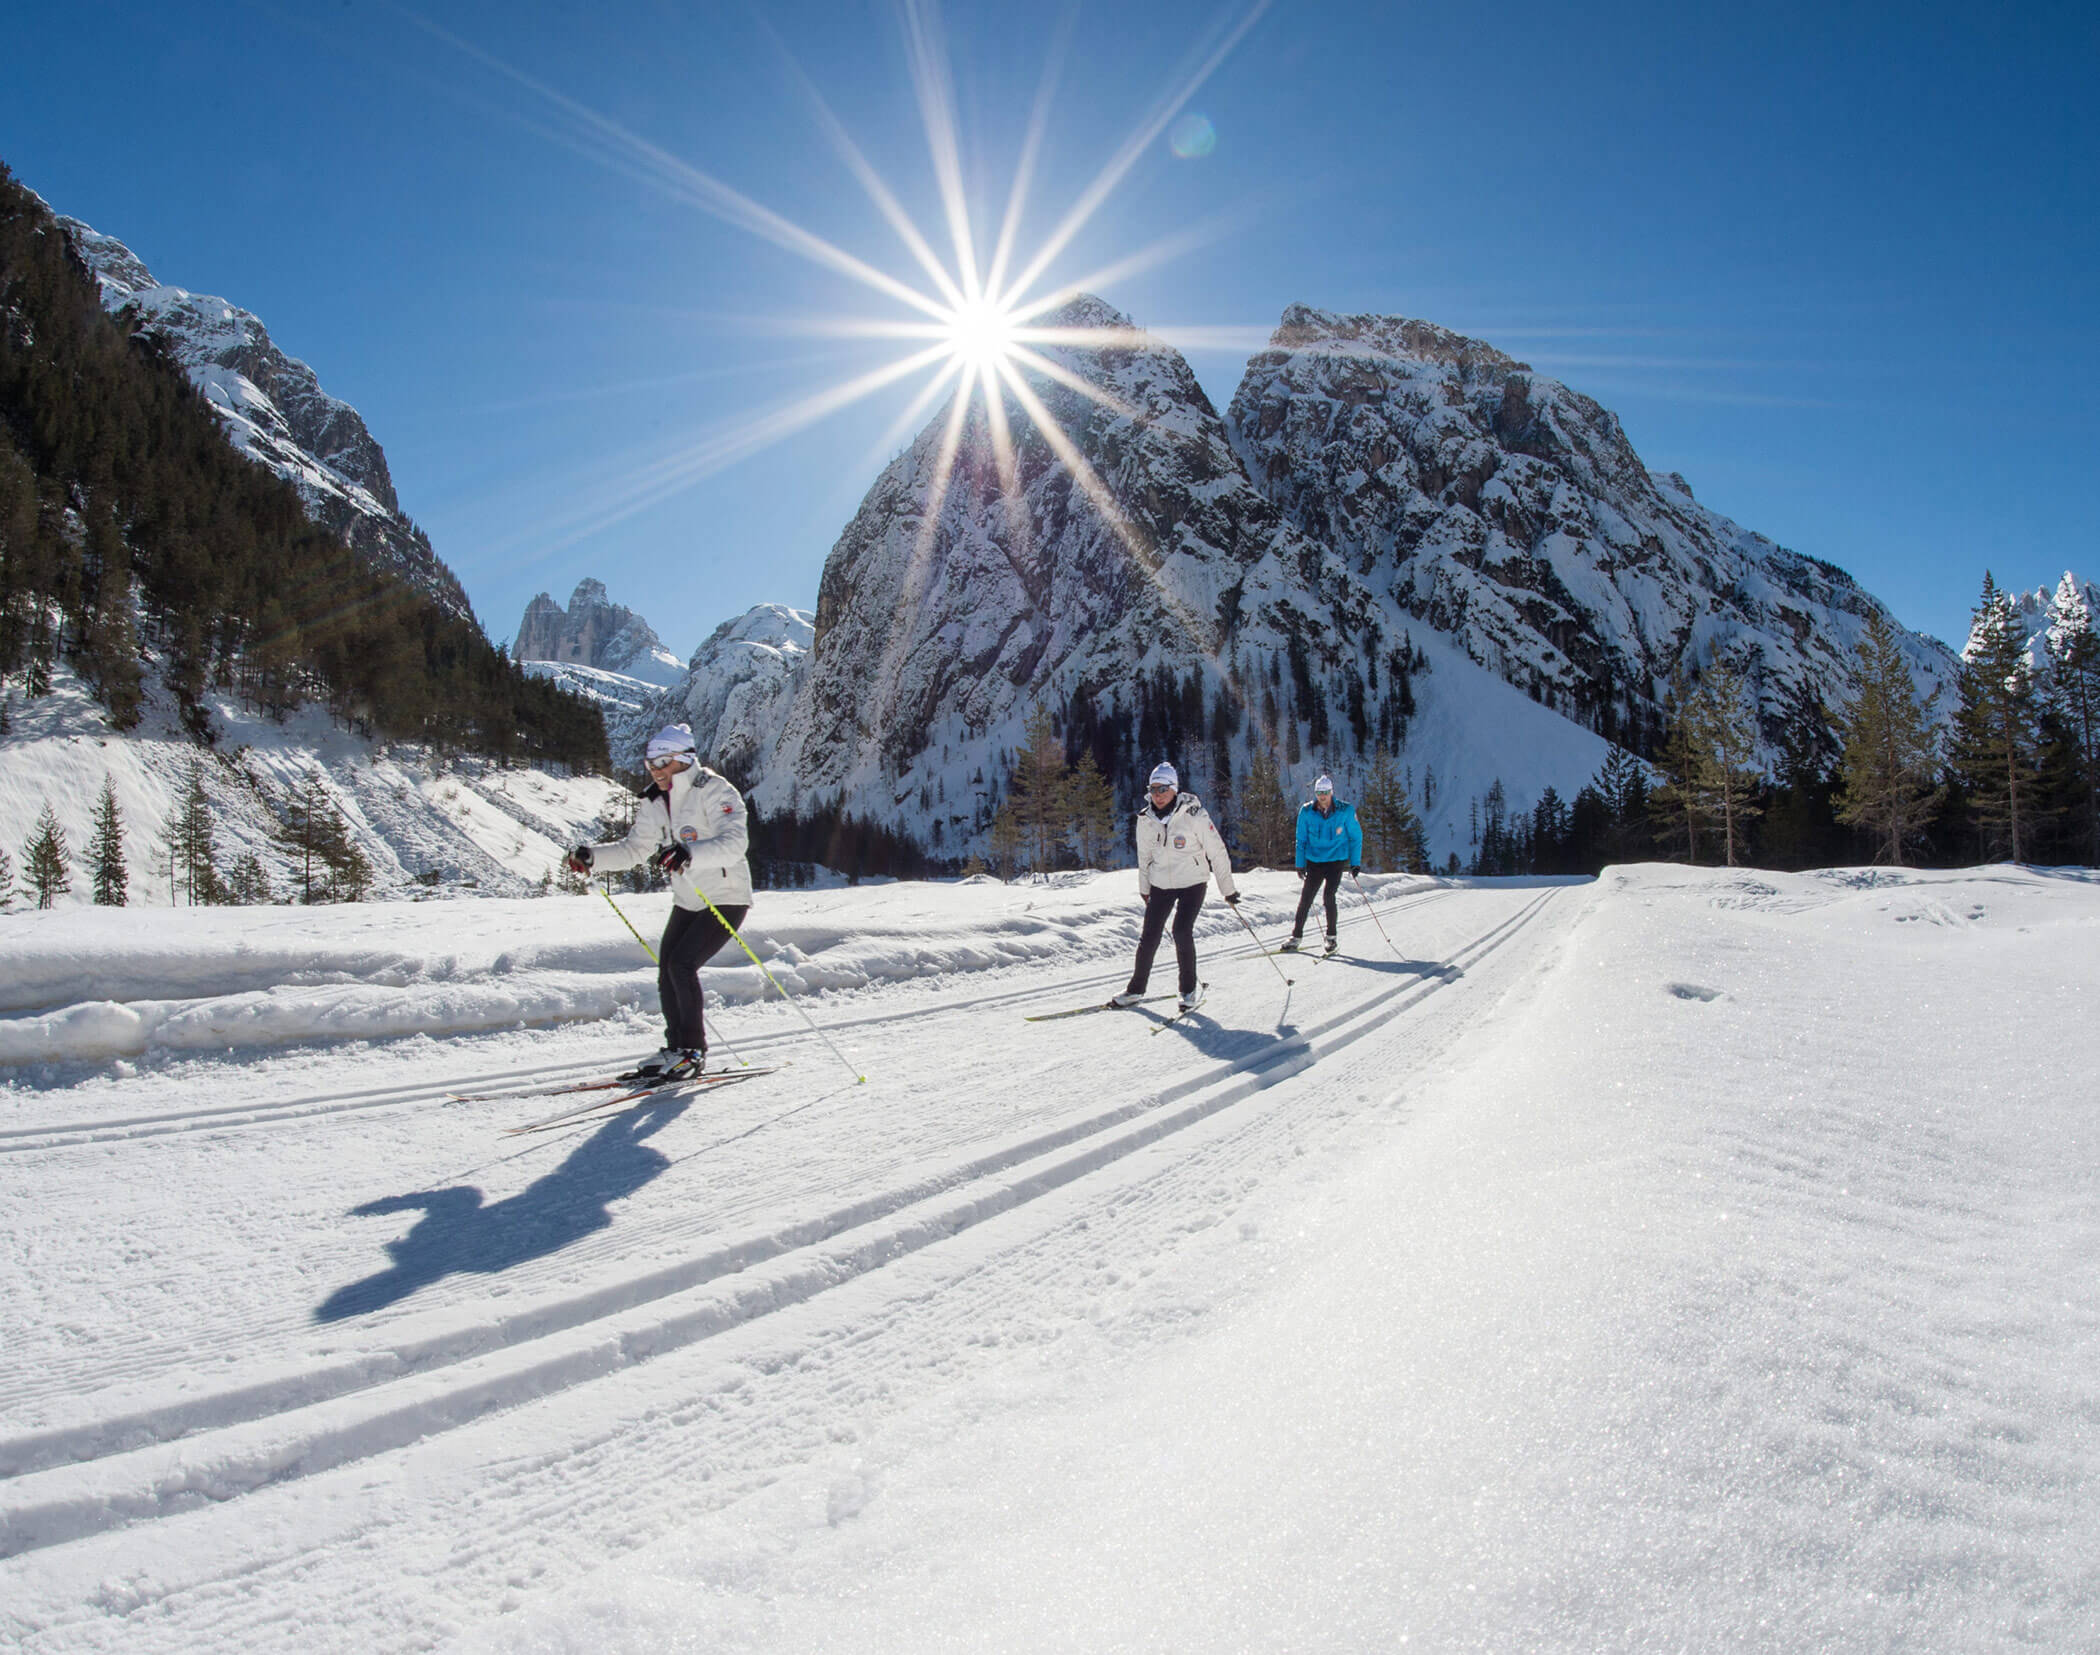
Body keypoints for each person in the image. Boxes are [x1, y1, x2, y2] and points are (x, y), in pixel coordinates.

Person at [567, 724, 752, 1080]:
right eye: (650, 763)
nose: (655, 770)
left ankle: (692, 1052)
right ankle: (675, 1048)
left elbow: (734, 844)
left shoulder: (714, 790)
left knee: (682, 965)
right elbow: (635, 849)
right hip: (688, 899)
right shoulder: (654, 800)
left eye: (662, 762)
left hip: (727, 897)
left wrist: (689, 853)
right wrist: (593, 858)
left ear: (684, 759)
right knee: (667, 966)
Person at [1114, 761, 1239, 1014]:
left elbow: (1217, 851)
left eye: (1163, 789)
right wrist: (1144, 887)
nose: (1158, 795)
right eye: (1153, 789)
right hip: (1161, 884)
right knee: (1149, 936)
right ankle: (1136, 990)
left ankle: (1188, 990)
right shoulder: (1145, 819)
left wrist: (1228, 889)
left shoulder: (1195, 815)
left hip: (1193, 882)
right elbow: (1144, 857)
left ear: (1174, 789)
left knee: (1181, 930)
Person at [1283, 774, 1361, 955]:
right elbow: (1300, 839)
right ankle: (1296, 937)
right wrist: (1300, 864)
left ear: (1331, 792)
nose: (1322, 796)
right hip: (1315, 861)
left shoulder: (1345, 811)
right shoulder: (1307, 811)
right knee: (1306, 899)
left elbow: (1356, 837)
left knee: (1328, 896)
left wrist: (1355, 863)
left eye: (1325, 792)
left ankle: (1331, 938)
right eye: (1319, 793)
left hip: (1336, 860)